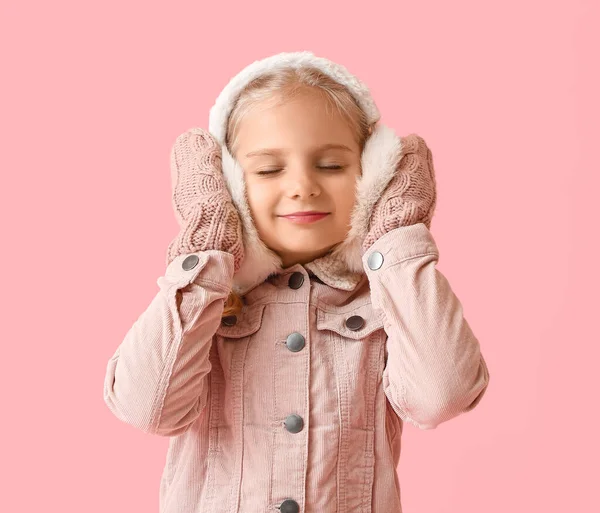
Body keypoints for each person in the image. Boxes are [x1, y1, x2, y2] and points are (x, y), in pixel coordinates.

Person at [103, 50, 490, 513]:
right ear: (227, 184)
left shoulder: (392, 301)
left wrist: (398, 235)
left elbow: (442, 395)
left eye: (331, 166)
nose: (303, 185)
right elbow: (146, 407)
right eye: (268, 170)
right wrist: (207, 243)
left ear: (376, 177)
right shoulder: (205, 303)